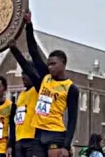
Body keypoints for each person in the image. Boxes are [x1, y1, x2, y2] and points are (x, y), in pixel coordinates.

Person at [23, 11, 79, 157]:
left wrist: (66, 146)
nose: (50, 67)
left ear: (63, 63)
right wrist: (29, 25)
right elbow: (34, 52)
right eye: (49, 64)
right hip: (38, 131)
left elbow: (73, 119)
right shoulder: (45, 78)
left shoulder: (71, 88)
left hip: (55, 133)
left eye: (54, 64)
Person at [8, 40, 40, 157]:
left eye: (25, 74)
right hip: (19, 140)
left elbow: (30, 71)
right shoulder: (20, 95)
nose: (23, 77)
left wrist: (15, 51)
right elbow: (14, 121)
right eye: (22, 74)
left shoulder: (38, 90)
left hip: (32, 139)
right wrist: (11, 144)